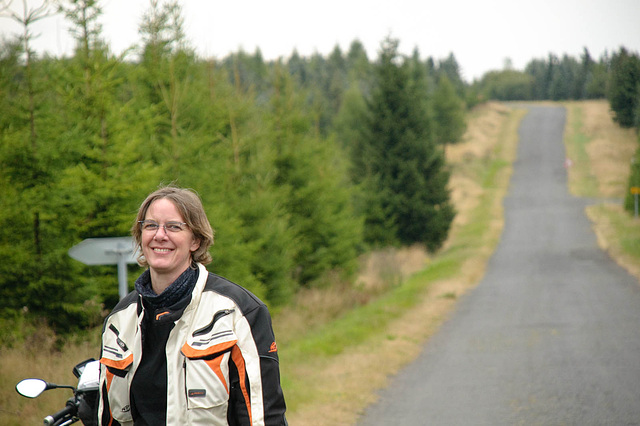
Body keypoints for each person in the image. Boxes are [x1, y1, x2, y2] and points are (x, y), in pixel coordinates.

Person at [96, 186, 287, 425]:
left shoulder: (238, 312)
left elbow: (262, 416)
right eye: (151, 225)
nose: (160, 235)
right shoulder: (119, 320)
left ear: (196, 240)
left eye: (174, 226)